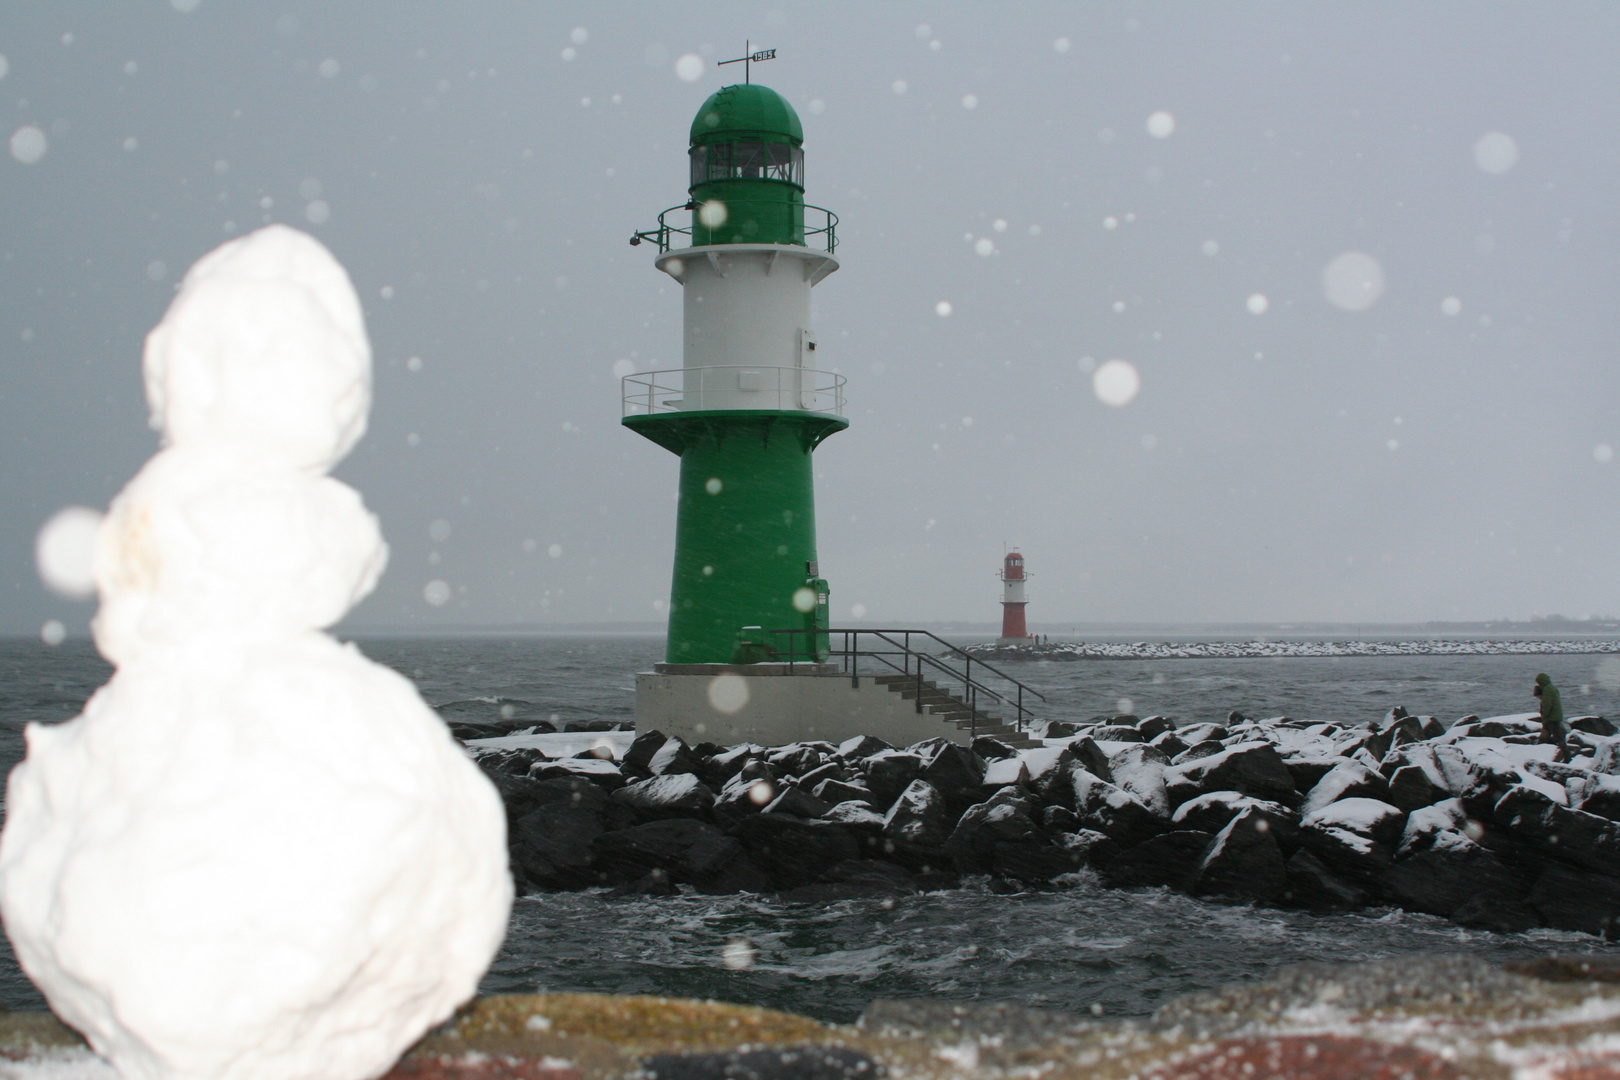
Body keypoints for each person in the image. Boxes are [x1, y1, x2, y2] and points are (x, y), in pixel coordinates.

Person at [1533, 672, 1566, 746]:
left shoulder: (1546, 690)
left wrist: (1544, 715)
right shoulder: (1552, 688)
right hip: (1556, 716)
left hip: (1551, 718)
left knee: (1558, 739)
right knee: (1556, 736)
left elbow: (1547, 705)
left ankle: (1566, 755)